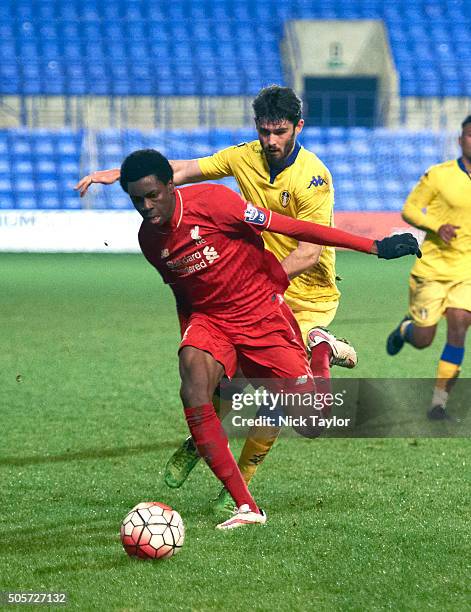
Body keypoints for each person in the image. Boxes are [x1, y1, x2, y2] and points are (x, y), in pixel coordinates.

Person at [75, 86, 359, 508]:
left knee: (280, 399)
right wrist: (121, 174)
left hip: (303, 287)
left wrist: (267, 287)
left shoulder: (314, 178)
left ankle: (238, 484)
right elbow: (183, 170)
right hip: (250, 282)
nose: (270, 141)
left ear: (298, 127)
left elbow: (310, 249)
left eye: (279, 131)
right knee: (224, 380)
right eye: (264, 131)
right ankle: (208, 443)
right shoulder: (243, 156)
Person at [119, 148, 419, 529]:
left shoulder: (214, 202)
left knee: (312, 423)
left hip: (261, 313)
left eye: (152, 195)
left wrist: (374, 246)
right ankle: (248, 507)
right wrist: (189, 338)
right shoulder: (150, 240)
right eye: (136, 200)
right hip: (211, 320)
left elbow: (292, 228)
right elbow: (182, 292)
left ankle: (321, 348)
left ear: (169, 185)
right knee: (193, 388)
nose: (145, 206)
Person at [386, 115, 471, 420]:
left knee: (460, 324)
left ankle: (438, 403)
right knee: (424, 339)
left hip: (466, 274)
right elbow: (409, 209)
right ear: (461, 140)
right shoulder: (438, 175)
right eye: (470, 135)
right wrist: (437, 226)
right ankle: (406, 329)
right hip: (433, 271)